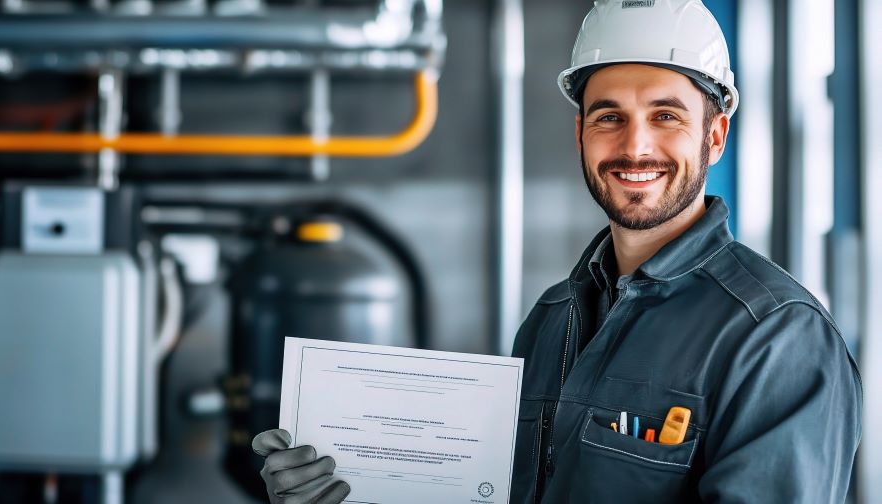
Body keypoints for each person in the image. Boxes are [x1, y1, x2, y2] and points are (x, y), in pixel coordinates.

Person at [251, 1, 863, 502]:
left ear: (715, 135)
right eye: (608, 117)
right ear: (580, 134)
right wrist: (341, 491)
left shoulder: (779, 337)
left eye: (666, 115)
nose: (635, 146)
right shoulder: (552, 318)